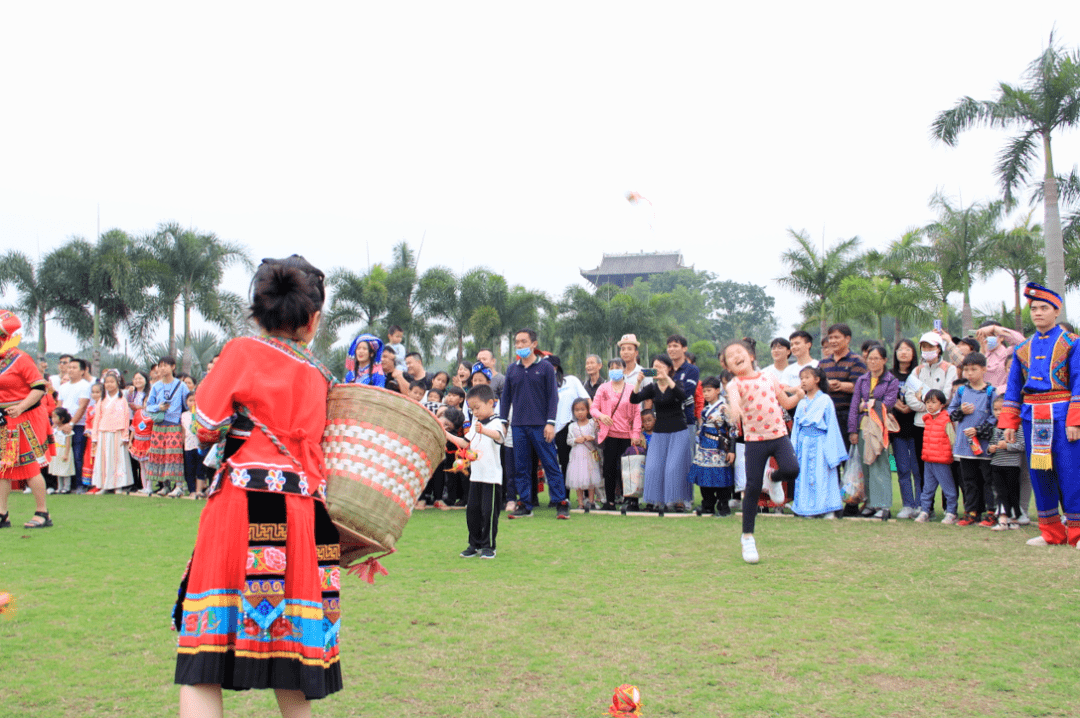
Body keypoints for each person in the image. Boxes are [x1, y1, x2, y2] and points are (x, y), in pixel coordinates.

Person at [173, 255, 342, 715]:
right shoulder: (321, 377)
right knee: (292, 659)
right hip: (305, 513)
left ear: (259, 310)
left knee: (203, 656)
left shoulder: (243, 353)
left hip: (245, 504)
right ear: (312, 320)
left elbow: (206, 424)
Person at [998, 283, 1080, 547]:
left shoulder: (1072, 343)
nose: (1038, 313)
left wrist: (1075, 420)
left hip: (1063, 414)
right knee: (1039, 473)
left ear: (1057, 311)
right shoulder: (1022, 348)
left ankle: (1077, 533)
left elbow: (1079, 381)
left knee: (1071, 473)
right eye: (1034, 308)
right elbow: (1013, 388)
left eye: (1044, 308)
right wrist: (1008, 423)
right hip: (1033, 417)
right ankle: (1051, 532)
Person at [723, 340, 802, 563]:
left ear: (750, 355)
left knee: (792, 469)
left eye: (739, 352)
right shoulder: (734, 384)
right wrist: (734, 411)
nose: (736, 356)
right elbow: (735, 403)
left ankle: (774, 478)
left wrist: (799, 395)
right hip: (755, 441)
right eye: (731, 356)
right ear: (728, 366)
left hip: (778, 436)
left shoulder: (768, 376)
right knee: (753, 488)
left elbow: (785, 402)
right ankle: (747, 537)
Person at [501, 328, 571, 519]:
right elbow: (506, 398)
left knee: (550, 464)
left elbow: (553, 398)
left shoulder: (546, 367)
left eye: (524, 341)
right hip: (518, 426)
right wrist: (502, 421)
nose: (520, 345)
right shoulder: (512, 369)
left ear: (534, 344)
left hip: (541, 425)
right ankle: (524, 504)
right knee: (521, 467)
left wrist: (550, 423)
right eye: (517, 342)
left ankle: (561, 502)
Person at [0, 310, 54, 528]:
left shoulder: (21, 359)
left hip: (26, 418)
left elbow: (39, 388)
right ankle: (2, 513)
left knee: (30, 466)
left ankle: (43, 513)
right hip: (5, 420)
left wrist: (20, 407)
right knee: (3, 467)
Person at [448, 384, 506, 559]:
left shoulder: (497, 422)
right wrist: (445, 434)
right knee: (472, 511)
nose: (475, 412)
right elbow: (466, 443)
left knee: (488, 512)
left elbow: (499, 436)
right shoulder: (476, 423)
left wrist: (484, 430)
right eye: (472, 409)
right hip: (476, 476)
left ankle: (489, 546)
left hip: (492, 478)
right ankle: (474, 544)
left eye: (477, 408)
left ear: (491, 403)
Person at [630, 353, 691, 515]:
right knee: (653, 467)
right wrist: (638, 381)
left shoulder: (676, 383)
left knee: (674, 467)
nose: (658, 370)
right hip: (659, 432)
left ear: (670, 368)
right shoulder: (652, 388)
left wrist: (667, 379)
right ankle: (653, 501)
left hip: (678, 430)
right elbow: (634, 399)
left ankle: (679, 501)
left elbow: (682, 396)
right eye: (655, 367)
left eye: (661, 367)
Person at [848, 344, 900, 519]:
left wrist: (868, 404)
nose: (872, 362)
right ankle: (870, 502)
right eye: (870, 358)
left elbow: (888, 403)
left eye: (876, 358)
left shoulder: (891, 381)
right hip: (863, 426)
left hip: (879, 427)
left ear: (884, 360)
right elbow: (855, 405)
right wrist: (852, 430)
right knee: (866, 466)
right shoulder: (862, 380)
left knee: (880, 465)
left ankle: (883, 505)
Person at [948, 352, 998, 527]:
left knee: (988, 480)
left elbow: (995, 416)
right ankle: (971, 512)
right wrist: (962, 411)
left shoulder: (991, 392)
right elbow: (950, 413)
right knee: (968, 480)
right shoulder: (961, 391)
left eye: (974, 369)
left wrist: (978, 430)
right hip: (964, 445)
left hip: (984, 445)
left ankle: (991, 512)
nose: (969, 373)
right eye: (966, 370)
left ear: (984, 370)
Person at [791, 366, 847, 518]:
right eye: (801, 378)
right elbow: (796, 426)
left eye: (807, 377)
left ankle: (826, 508)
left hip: (821, 443)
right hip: (804, 443)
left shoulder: (825, 400)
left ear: (817, 380)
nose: (803, 381)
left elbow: (832, 425)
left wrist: (832, 451)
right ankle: (806, 508)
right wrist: (793, 447)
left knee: (822, 475)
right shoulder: (801, 401)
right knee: (804, 476)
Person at [591, 358, 643, 511]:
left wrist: (636, 434)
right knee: (609, 469)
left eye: (618, 366)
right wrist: (601, 416)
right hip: (610, 435)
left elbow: (636, 414)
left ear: (624, 369)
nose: (615, 369)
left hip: (627, 436)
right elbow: (593, 408)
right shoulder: (603, 388)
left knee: (629, 469)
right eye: (612, 367)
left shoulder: (631, 388)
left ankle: (632, 501)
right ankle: (610, 501)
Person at [688, 376, 736, 516]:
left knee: (721, 476)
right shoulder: (706, 409)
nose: (706, 394)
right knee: (704, 475)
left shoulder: (724, 408)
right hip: (705, 446)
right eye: (704, 391)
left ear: (717, 390)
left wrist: (731, 450)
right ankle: (707, 504)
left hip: (719, 447)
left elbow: (733, 429)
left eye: (709, 390)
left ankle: (723, 505)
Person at [818, 324, 867, 456]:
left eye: (837, 337)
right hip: (826, 415)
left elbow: (860, 387)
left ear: (847, 339)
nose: (832, 341)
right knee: (829, 457)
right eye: (830, 337)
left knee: (848, 456)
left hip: (848, 416)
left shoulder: (857, 361)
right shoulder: (823, 363)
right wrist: (826, 385)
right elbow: (817, 387)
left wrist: (839, 385)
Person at [146, 356, 191, 496]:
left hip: (174, 424)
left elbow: (186, 405)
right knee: (160, 455)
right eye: (160, 366)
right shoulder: (156, 386)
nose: (162, 368)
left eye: (165, 365)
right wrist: (159, 407)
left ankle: (179, 486)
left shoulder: (181, 386)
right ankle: (165, 485)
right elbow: (149, 406)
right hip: (159, 424)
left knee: (174, 455)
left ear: (173, 367)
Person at [914, 390, 958, 524]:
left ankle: (951, 512)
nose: (930, 405)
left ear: (942, 404)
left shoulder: (946, 420)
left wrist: (951, 456)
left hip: (942, 460)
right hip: (928, 460)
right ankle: (925, 511)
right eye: (927, 402)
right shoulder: (927, 419)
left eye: (934, 402)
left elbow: (952, 440)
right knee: (927, 489)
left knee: (948, 488)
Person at [546, 355, 590, 484]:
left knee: (570, 462)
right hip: (549, 428)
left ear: (556, 367)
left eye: (551, 366)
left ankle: (578, 496)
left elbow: (586, 400)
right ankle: (558, 496)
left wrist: (592, 422)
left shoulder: (571, 381)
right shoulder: (543, 384)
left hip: (568, 427)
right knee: (552, 463)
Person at [891, 339, 922, 519]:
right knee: (902, 468)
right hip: (898, 428)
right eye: (900, 349)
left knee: (917, 469)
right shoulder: (890, 375)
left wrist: (912, 405)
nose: (903, 352)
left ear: (913, 353)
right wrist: (897, 404)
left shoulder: (919, 374)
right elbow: (884, 394)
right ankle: (907, 505)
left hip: (917, 425)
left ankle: (920, 504)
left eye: (907, 349)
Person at [90, 369, 133, 494]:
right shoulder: (101, 400)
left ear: (117, 383)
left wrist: (125, 435)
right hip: (103, 432)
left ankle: (118, 485)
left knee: (117, 459)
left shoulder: (122, 399)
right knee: (103, 459)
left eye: (112, 382)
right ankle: (104, 485)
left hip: (118, 433)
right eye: (107, 382)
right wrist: (94, 436)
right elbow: (96, 419)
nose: (109, 384)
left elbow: (125, 418)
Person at [988, 395, 1025, 530]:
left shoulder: (1018, 427)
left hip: (1012, 466)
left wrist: (1007, 446)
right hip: (996, 465)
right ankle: (1003, 519)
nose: (998, 413)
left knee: (1013, 493)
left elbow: (1022, 446)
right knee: (1000, 492)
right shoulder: (995, 428)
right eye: (995, 409)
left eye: (1001, 409)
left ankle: (1013, 519)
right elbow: (991, 444)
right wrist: (990, 449)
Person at [57, 357, 91, 490]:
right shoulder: (63, 386)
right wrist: (60, 424)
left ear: (82, 371)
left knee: (77, 455)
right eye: (69, 367)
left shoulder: (85, 386)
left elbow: (82, 407)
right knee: (63, 455)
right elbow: (59, 406)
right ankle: (65, 486)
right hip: (62, 426)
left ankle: (79, 484)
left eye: (74, 367)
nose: (70, 370)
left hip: (78, 426)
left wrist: (70, 423)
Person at [564, 397, 601, 510]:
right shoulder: (572, 426)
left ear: (588, 410)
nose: (579, 412)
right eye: (576, 410)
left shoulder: (592, 424)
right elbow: (568, 440)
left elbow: (598, 437)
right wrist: (575, 440)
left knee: (591, 478)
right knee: (577, 478)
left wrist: (592, 437)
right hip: (576, 456)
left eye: (582, 409)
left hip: (589, 454)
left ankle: (591, 501)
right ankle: (580, 503)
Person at [974, 320, 1025, 392]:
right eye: (984, 336)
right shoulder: (982, 356)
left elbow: (1022, 341)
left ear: (1001, 337)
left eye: (990, 336)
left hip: (1004, 396)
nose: (986, 339)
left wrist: (994, 328)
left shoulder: (1009, 352)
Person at [180, 394, 207, 499]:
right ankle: (192, 490)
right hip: (188, 445)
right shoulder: (184, 415)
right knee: (189, 468)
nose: (192, 403)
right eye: (190, 400)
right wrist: (182, 443)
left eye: (195, 401)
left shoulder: (202, 415)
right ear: (186, 402)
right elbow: (183, 431)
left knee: (200, 467)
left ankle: (199, 490)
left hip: (200, 445)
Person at [49, 408, 75, 494]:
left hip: (63, 450)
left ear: (62, 418)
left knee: (65, 469)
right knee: (58, 470)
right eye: (52, 417)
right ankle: (59, 487)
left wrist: (66, 454)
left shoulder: (66, 429)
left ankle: (66, 487)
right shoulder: (55, 428)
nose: (53, 419)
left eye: (55, 417)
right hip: (56, 450)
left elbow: (68, 442)